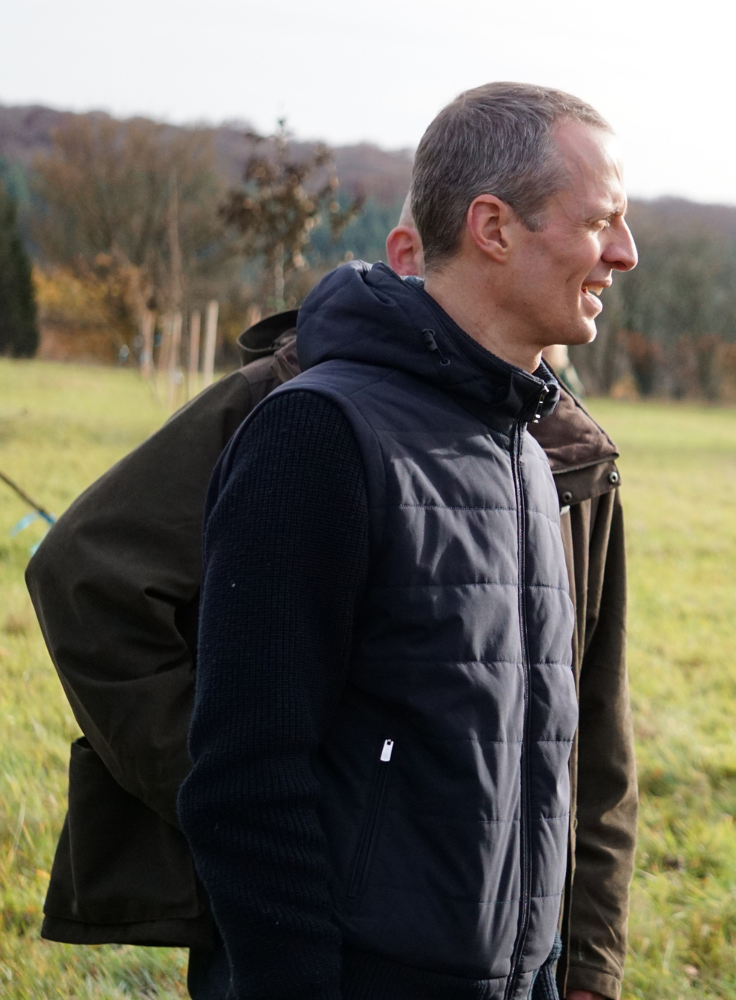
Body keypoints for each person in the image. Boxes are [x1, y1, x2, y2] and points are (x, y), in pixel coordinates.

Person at [28, 82, 634, 1000]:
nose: (626, 253)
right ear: (492, 229)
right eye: (599, 222)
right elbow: (247, 769)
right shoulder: (314, 428)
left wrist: (566, 960)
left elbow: (572, 737)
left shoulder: (534, 450)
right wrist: (317, 867)